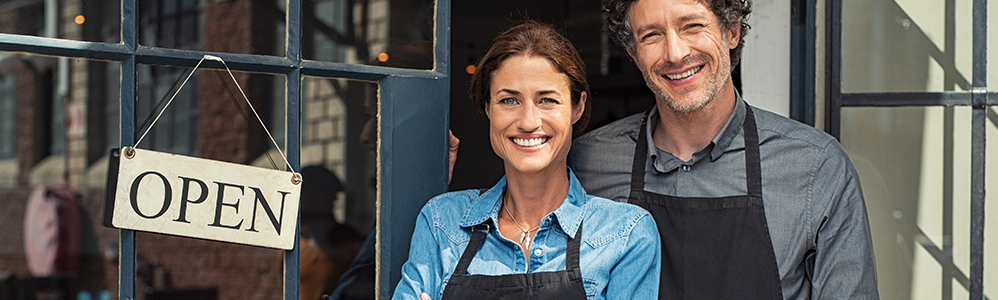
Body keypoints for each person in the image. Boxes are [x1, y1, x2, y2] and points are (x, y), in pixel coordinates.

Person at [567, 0, 879, 298]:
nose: (675, 53)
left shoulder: (815, 167)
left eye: (691, 26)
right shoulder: (586, 164)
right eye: (651, 35)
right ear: (634, 54)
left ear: (732, 31)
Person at [392, 20, 660, 300]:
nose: (528, 122)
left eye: (547, 100)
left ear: (577, 107)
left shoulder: (625, 233)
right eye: (509, 101)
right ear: (488, 108)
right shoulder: (442, 222)